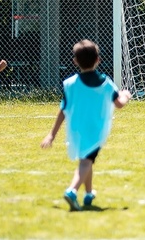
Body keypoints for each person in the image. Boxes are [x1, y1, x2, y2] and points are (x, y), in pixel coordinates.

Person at [41, 39, 131, 211]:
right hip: (95, 131)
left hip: (76, 130)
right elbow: (119, 104)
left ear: (75, 61)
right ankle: (72, 190)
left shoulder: (70, 83)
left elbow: (63, 110)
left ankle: (89, 193)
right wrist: (125, 95)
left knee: (86, 159)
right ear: (98, 59)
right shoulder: (105, 82)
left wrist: (52, 134)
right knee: (85, 162)